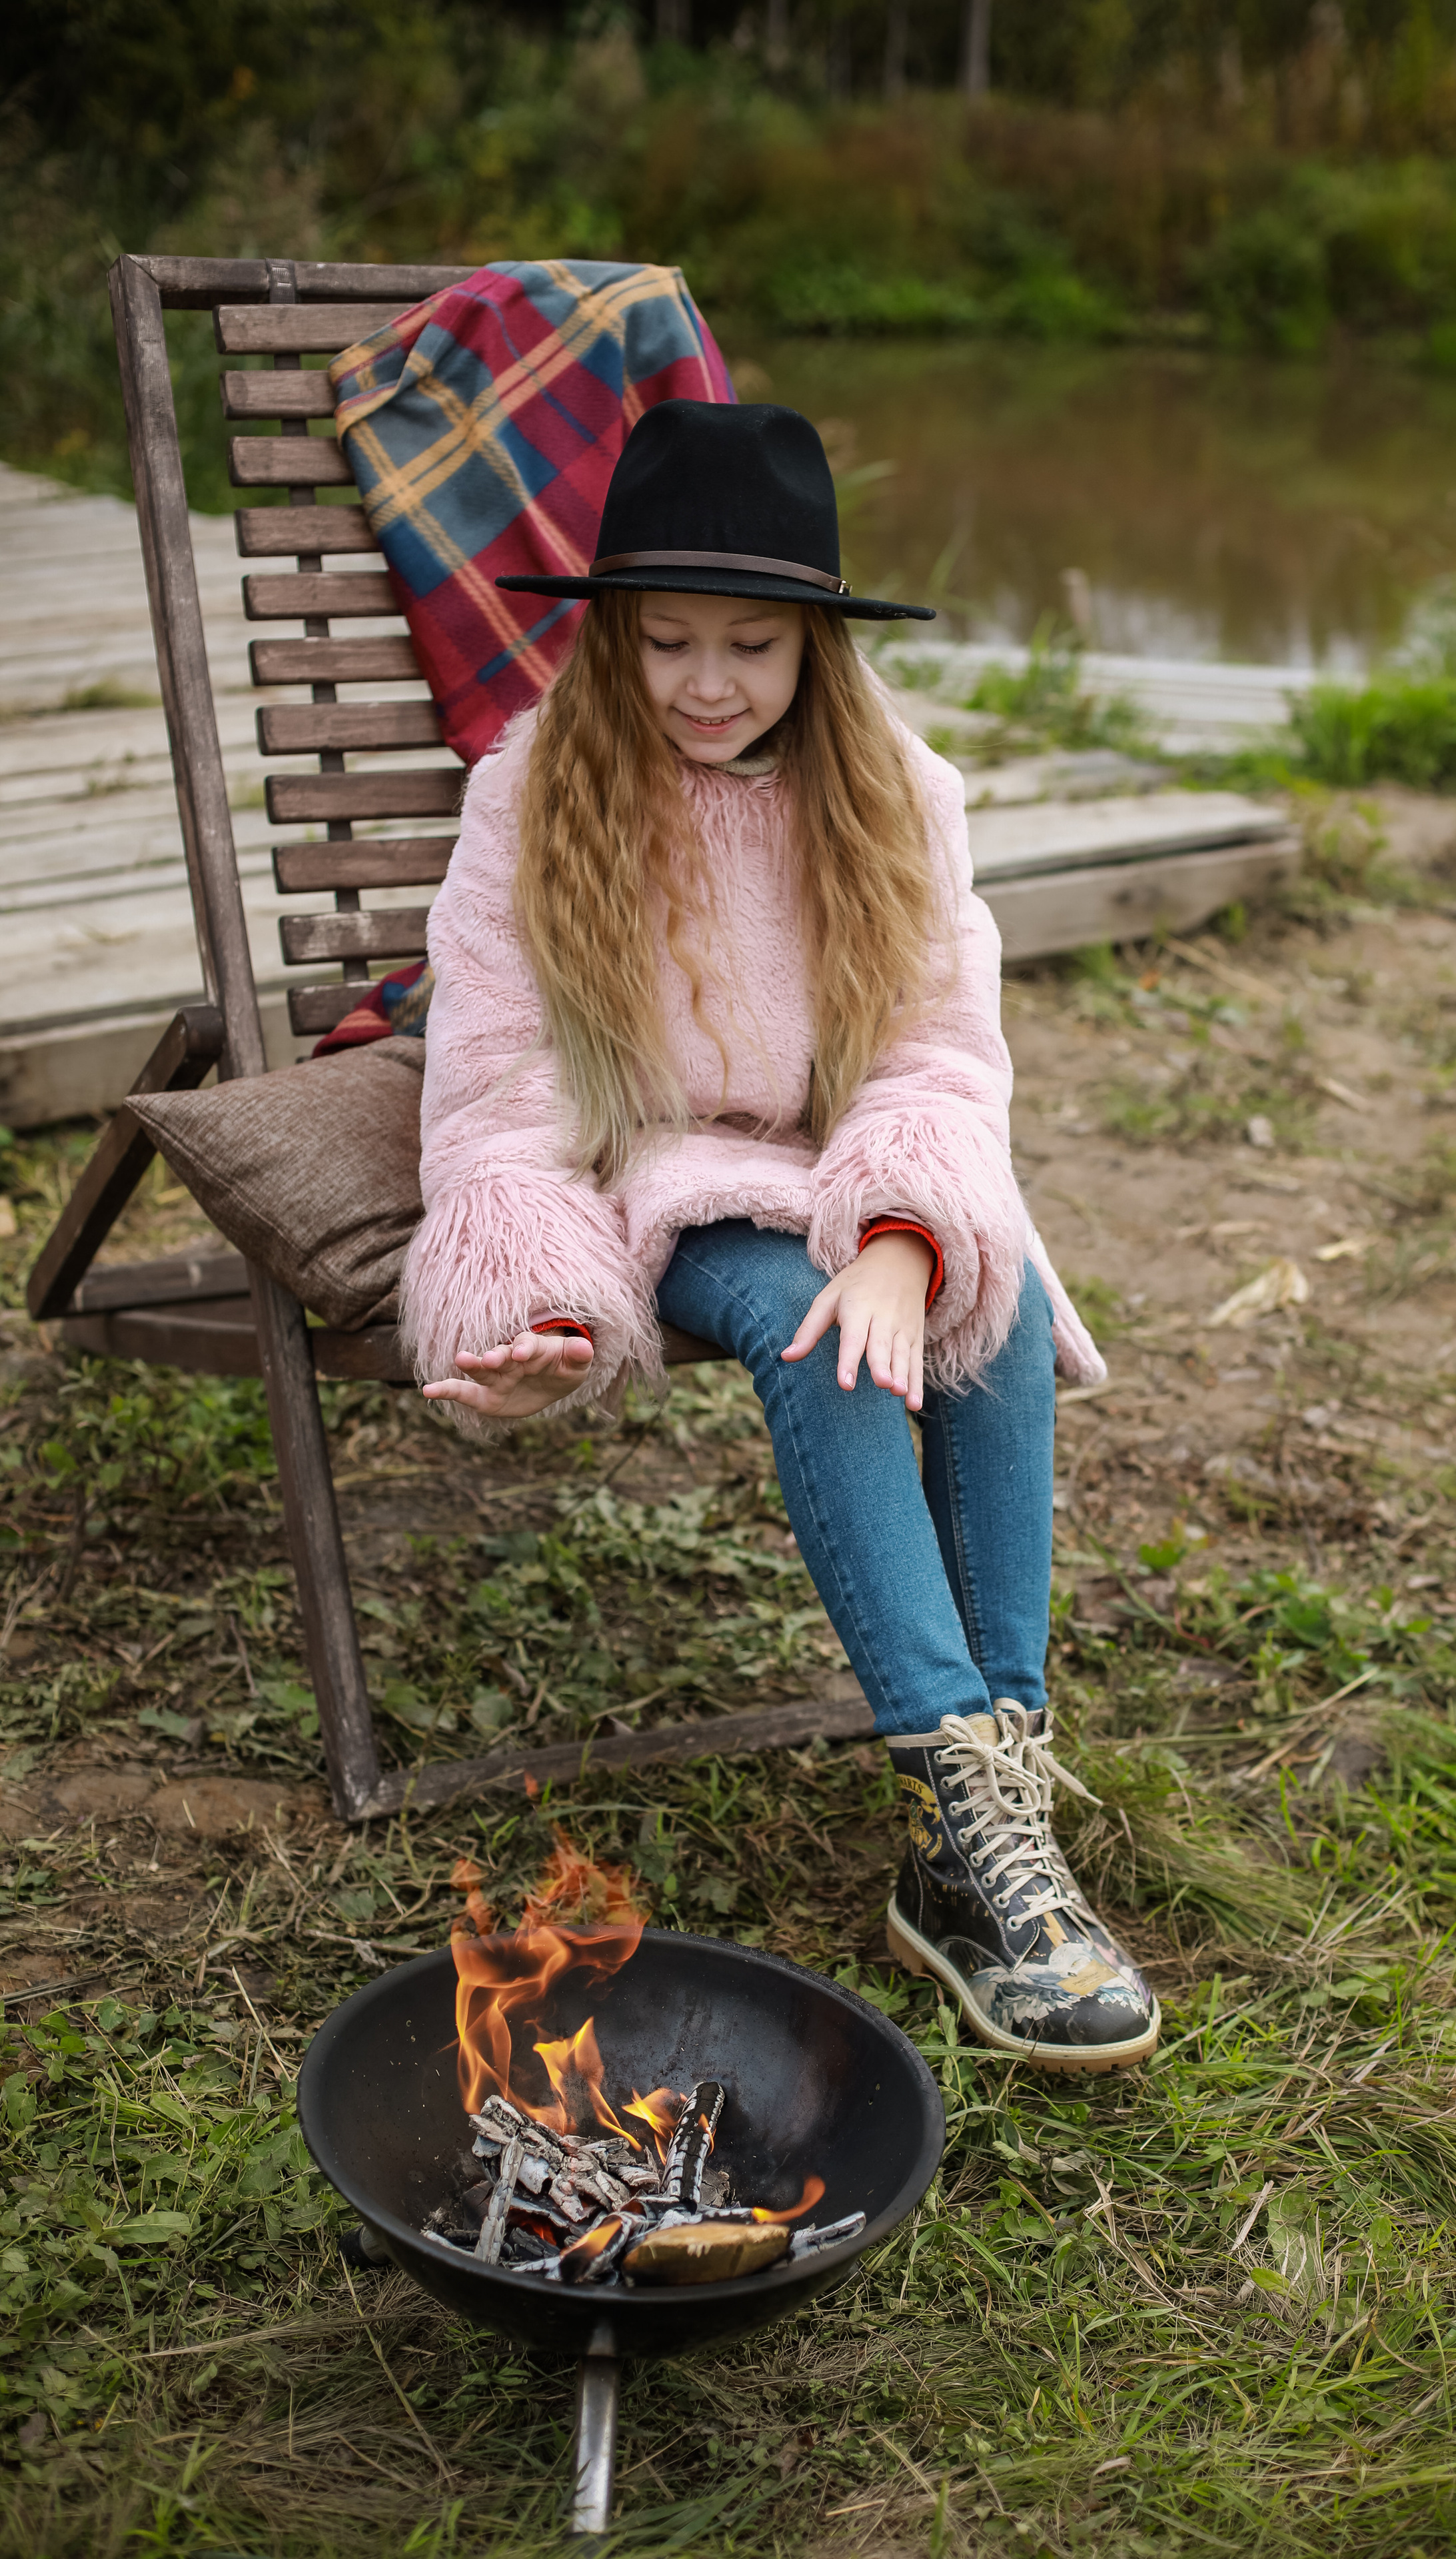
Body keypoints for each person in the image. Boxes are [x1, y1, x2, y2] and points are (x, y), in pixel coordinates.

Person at [403, 399, 1160, 2069]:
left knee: (997, 1299)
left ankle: (976, 1815)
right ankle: (958, 1790)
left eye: (751, 642)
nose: (703, 680)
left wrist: (904, 1227)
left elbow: (937, 1049)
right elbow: (498, 1096)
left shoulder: (895, 789)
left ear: (817, 641)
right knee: (819, 1338)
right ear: (610, 633)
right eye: (664, 638)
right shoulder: (531, 794)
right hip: (663, 1173)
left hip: (857, 1150)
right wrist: (533, 1301)